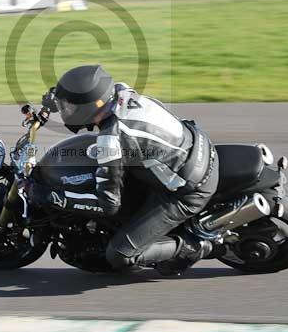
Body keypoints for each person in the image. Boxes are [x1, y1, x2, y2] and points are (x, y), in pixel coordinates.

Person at [42, 64, 219, 275]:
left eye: (69, 107)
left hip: (187, 190)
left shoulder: (112, 140)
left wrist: (54, 197)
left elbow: (109, 205)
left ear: (89, 107)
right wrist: (58, 98)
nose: (65, 111)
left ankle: (193, 248)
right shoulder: (121, 91)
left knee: (120, 255)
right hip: (192, 146)